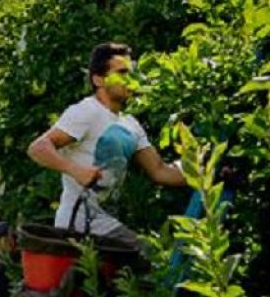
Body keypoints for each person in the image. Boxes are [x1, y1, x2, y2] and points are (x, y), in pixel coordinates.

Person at [27, 42, 186, 248]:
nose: (130, 79)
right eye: (121, 72)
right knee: (150, 258)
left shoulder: (131, 124)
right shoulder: (86, 111)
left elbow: (160, 171)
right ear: (98, 80)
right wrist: (76, 170)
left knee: (146, 262)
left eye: (132, 72)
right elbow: (38, 148)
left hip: (105, 223)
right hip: (78, 224)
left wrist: (206, 172)